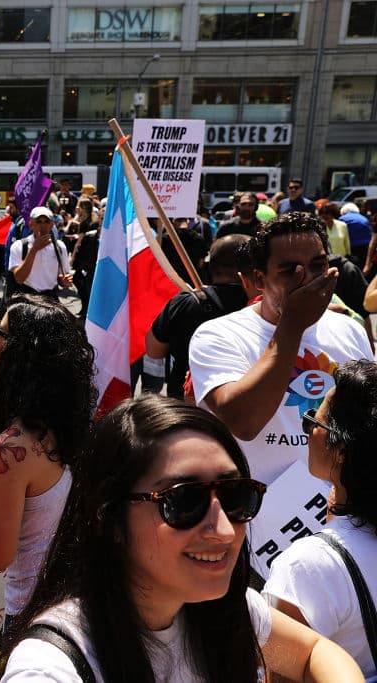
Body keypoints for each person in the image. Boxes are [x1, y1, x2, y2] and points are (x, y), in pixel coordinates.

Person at [0, 395, 365, 683]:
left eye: (236, 496)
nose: (222, 529)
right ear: (109, 519)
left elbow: (317, 651)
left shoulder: (224, 610)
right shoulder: (53, 664)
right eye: (183, 501)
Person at [189, 213, 373, 487]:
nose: (307, 279)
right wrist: (292, 325)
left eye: (318, 265)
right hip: (258, 514)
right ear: (260, 279)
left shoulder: (350, 329)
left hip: (339, 511)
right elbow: (244, 423)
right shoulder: (218, 335)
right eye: (290, 270)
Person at [0, 295, 95, 626]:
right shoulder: (70, 427)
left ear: (18, 354)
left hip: (29, 614)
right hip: (71, 601)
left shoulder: (11, 450)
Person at [263, 360, 377, 678]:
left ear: (340, 449)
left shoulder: (307, 566)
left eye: (314, 421)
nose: (309, 429)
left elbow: (282, 677)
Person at [146, 235, 251, 399]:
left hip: (186, 405)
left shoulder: (184, 303)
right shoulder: (267, 306)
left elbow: (154, 351)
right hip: (244, 404)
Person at [9, 207, 72, 300]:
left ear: (52, 225)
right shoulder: (19, 246)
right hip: (27, 298)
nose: (43, 225)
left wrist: (64, 281)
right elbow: (19, 278)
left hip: (51, 298)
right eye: (39, 222)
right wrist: (34, 249)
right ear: (31, 224)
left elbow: (62, 277)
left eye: (46, 221)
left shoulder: (60, 247)